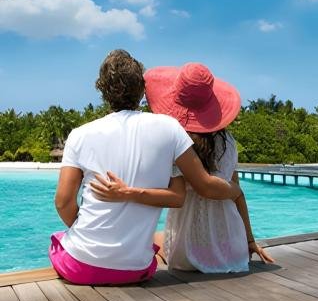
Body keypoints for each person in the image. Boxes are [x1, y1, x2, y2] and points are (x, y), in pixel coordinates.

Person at [50, 50, 241, 285]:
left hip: (81, 267)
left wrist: (89, 233)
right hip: (136, 269)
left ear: (102, 90)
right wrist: (235, 190)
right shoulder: (170, 128)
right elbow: (186, 192)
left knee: (59, 241)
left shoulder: (79, 135)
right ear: (142, 89)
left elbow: (63, 202)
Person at [92, 62, 274, 273]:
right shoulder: (229, 143)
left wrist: (128, 193)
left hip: (189, 254)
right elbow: (237, 194)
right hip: (232, 250)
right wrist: (249, 241)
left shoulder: (176, 145)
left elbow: (185, 193)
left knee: (149, 237)